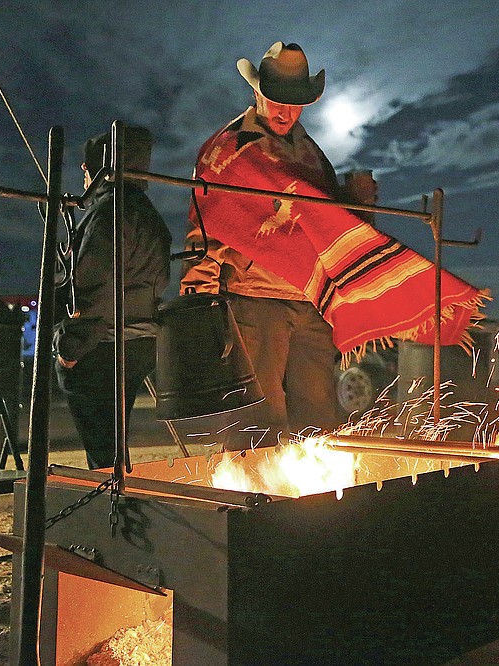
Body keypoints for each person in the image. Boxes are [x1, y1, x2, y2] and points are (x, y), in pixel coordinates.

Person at [181, 41, 376, 446]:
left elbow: (330, 224)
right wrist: (198, 298)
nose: (286, 112)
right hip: (254, 298)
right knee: (256, 417)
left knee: (318, 415)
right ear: (257, 93)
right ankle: (252, 501)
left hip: (309, 300)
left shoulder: (311, 154)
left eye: (296, 103)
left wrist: (358, 202)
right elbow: (207, 223)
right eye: (277, 101)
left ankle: (311, 504)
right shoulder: (229, 149)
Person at [55, 127, 172, 469]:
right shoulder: (150, 214)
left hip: (105, 345)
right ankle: (121, 501)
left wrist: (70, 350)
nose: (82, 171)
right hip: (140, 342)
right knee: (113, 442)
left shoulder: (108, 212)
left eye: (88, 164)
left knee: (104, 449)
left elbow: (95, 286)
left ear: (103, 166)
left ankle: (115, 508)